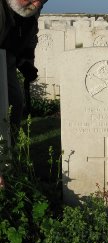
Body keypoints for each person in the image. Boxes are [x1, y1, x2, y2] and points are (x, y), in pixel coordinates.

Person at [0, 0, 48, 188]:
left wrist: (26, 60)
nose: (36, 3)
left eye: (41, 0)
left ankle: (6, 156)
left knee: (14, 104)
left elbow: (29, 35)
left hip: (8, 58)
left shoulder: (29, 9)